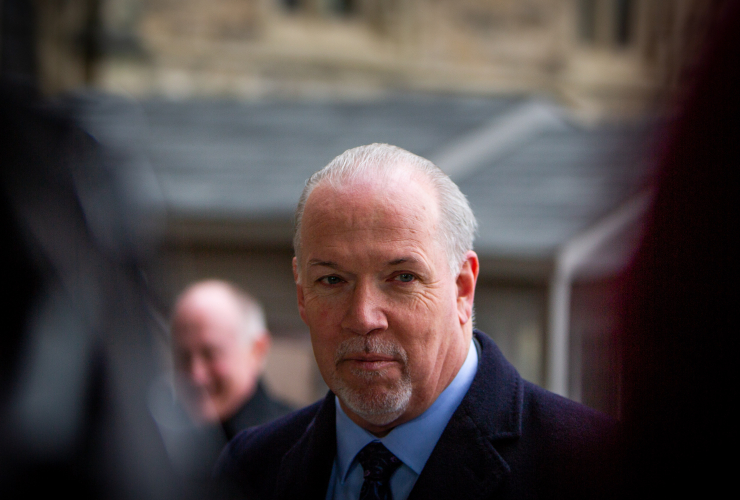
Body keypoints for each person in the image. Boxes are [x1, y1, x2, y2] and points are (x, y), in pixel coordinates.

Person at [214, 144, 617, 500]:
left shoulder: (591, 469)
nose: (364, 318)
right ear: (302, 294)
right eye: (333, 280)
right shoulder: (247, 469)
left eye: (403, 278)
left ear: (462, 289)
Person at [170, 280, 292, 440]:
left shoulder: (295, 444)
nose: (196, 375)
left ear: (257, 351)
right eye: (183, 357)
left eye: (211, 354)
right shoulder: (161, 442)